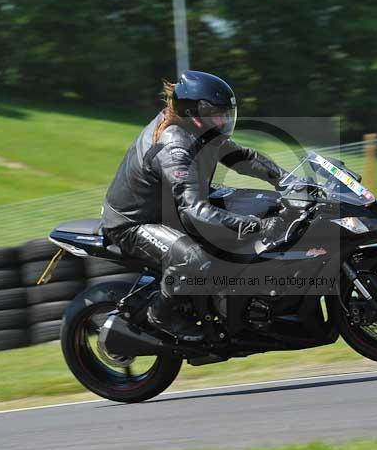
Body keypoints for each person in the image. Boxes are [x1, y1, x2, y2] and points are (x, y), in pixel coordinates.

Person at [101, 70, 286, 341]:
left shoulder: (199, 130)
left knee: (261, 205)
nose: (223, 120)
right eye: (217, 114)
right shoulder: (174, 144)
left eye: (226, 113)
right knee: (193, 258)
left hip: (171, 207)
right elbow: (194, 211)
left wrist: (287, 180)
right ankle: (161, 312)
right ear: (194, 113)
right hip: (135, 222)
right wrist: (254, 226)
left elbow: (241, 157)